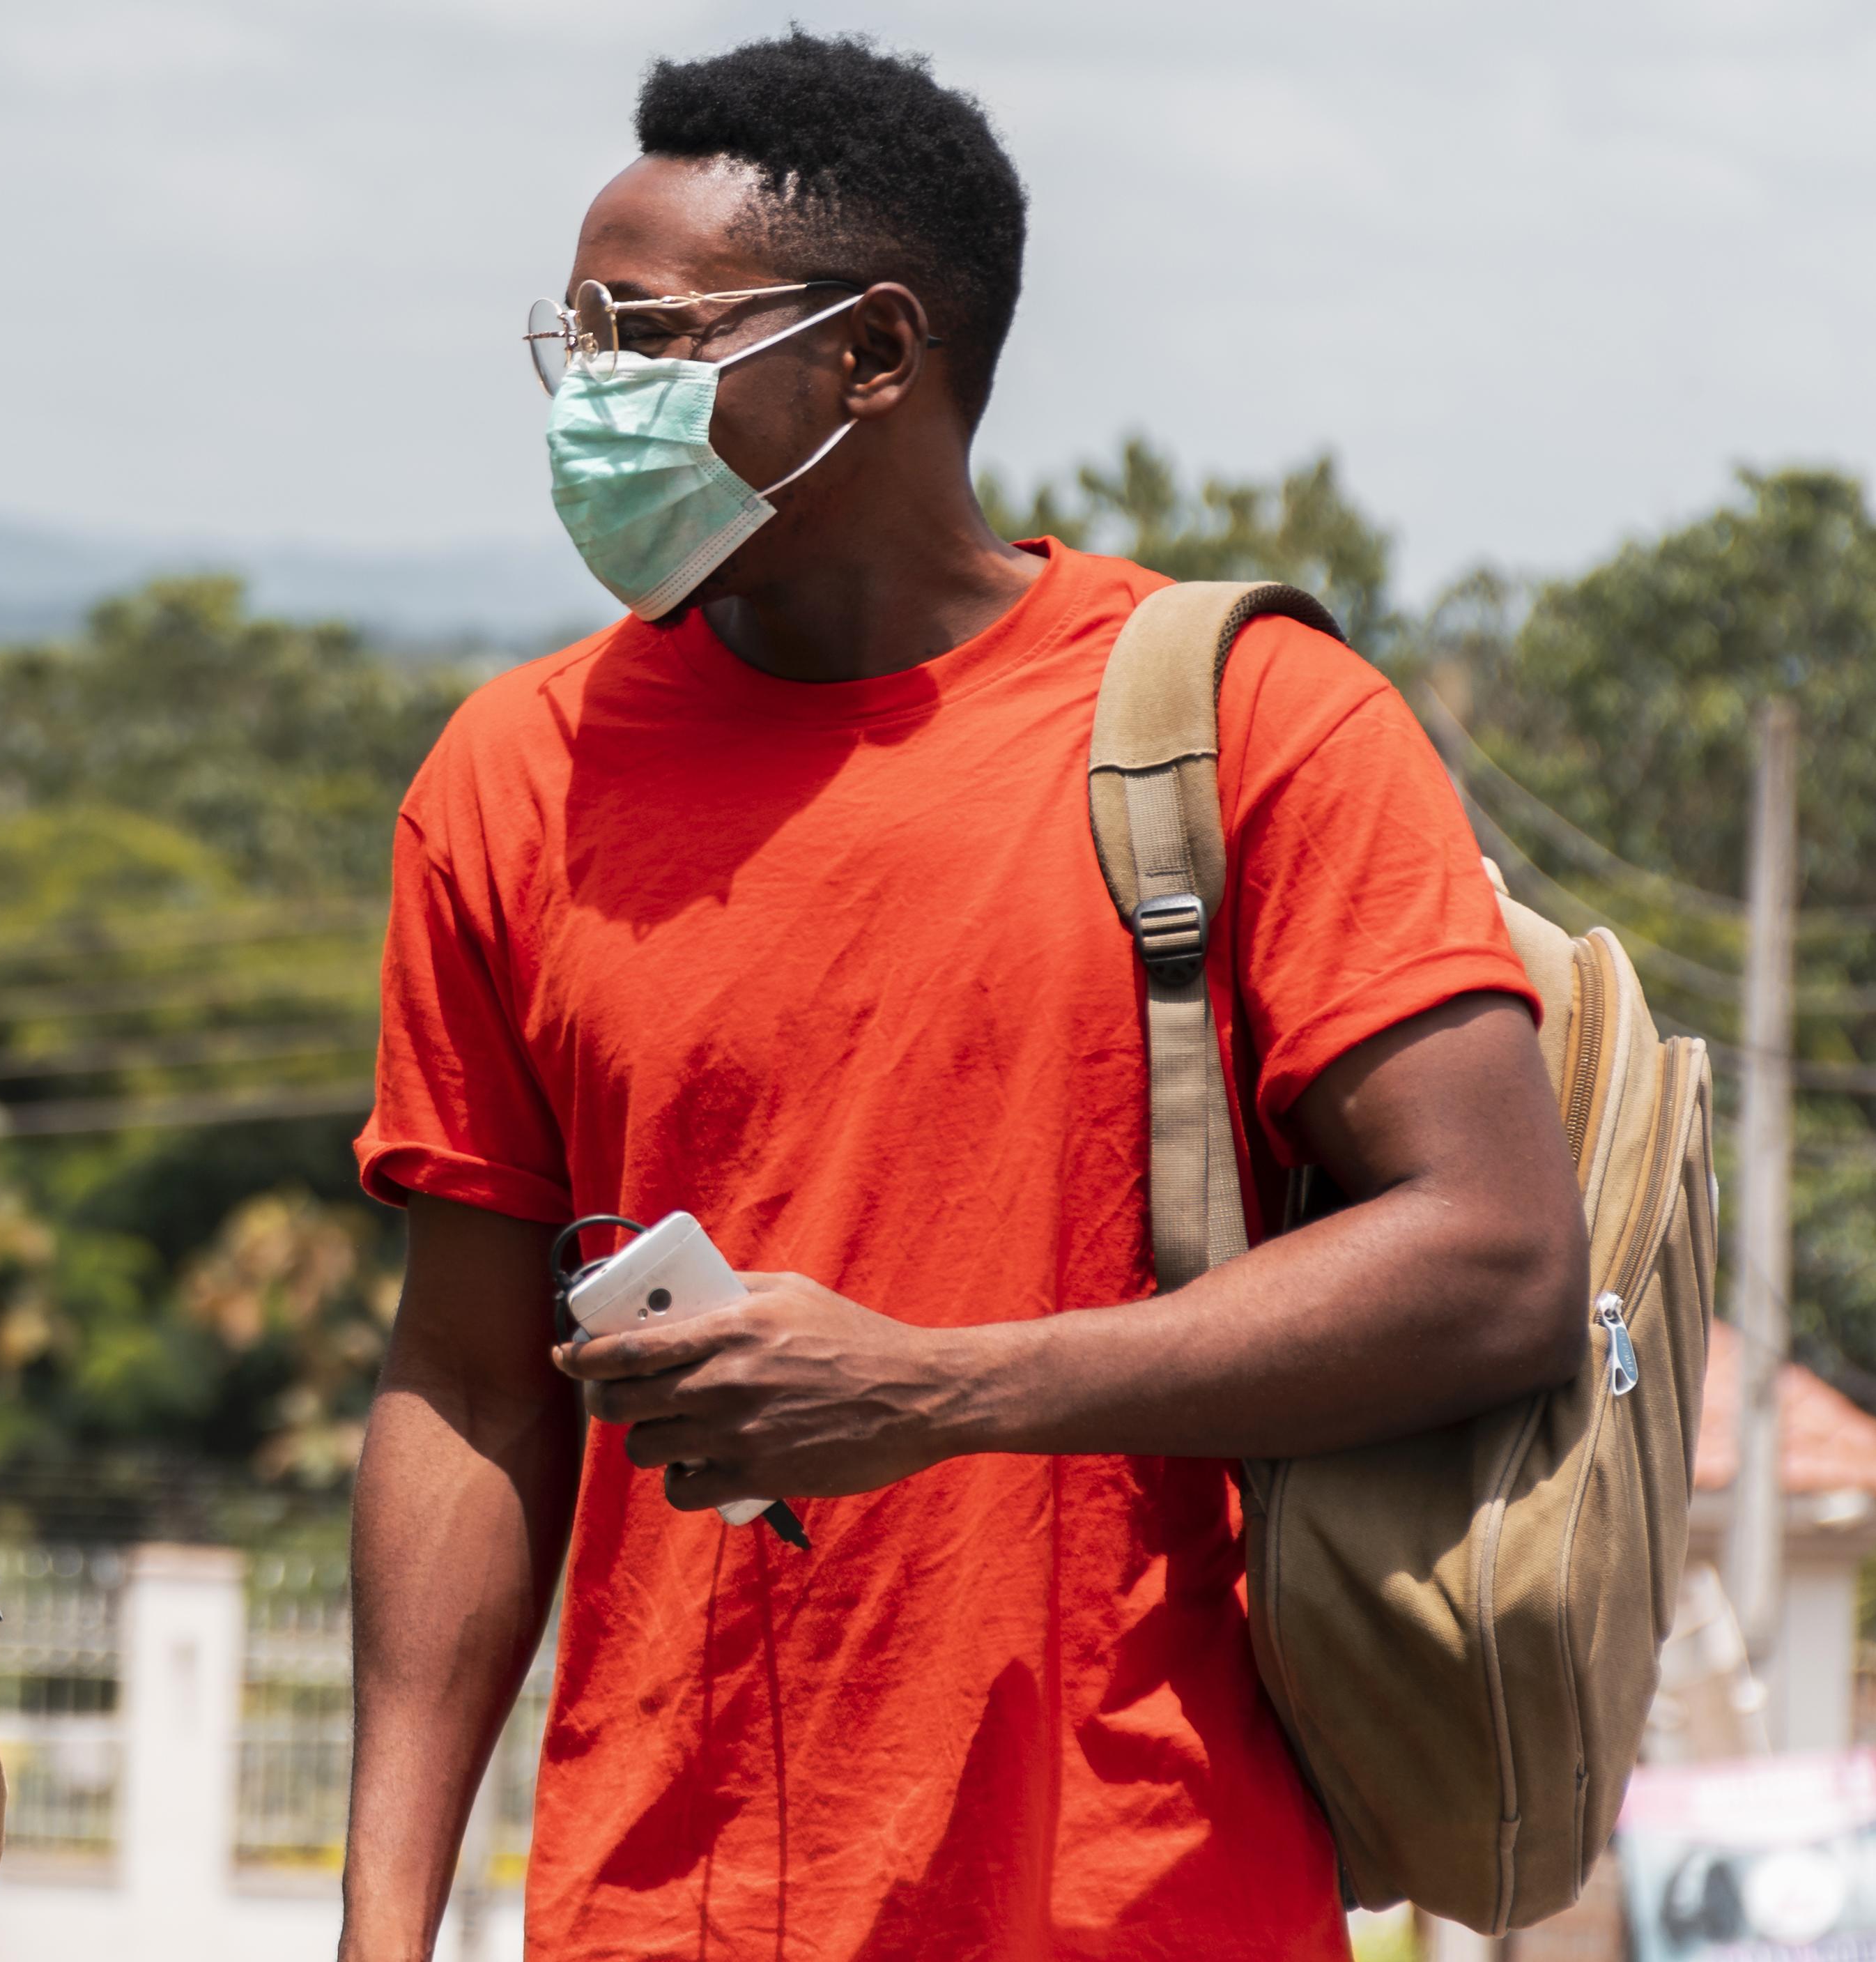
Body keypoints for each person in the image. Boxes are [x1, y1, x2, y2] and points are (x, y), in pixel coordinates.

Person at [341, 35, 1586, 1962]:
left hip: (1141, 1896)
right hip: (653, 1912)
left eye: (649, 341)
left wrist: (936, 1392)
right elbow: (470, 1389)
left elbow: (1492, 1259)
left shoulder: (1240, 726)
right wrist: (380, 1925)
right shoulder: (512, 777)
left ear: (876, 352)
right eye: (570, 343)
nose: (591, 401)